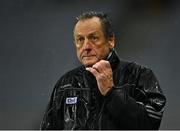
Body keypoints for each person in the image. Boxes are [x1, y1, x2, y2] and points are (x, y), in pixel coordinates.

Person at [40, 11, 166, 130]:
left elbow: (150, 124)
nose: (86, 47)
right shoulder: (65, 84)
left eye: (93, 38)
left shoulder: (139, 75)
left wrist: (112, 93)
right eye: (80, 40)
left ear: (110, 41)